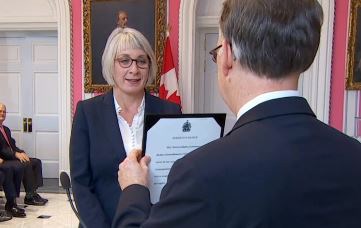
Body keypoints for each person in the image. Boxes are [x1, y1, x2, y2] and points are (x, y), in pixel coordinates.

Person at [112, 0, 361, 227]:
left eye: (216, 50)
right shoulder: (354, 156)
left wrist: (134, 188)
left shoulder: (201, 172)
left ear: (228, 54)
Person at [70, 27, 181, 228]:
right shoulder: (87, 112)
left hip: (156, 222)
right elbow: (80, 184)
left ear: (149, 66)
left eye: (141, 61)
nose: (134, 69)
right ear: (111, 65)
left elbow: (177, 177)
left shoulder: (170, 111)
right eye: (124, 60)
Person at [0, 103, 47, 207]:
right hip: (4, 159)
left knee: (35, 161)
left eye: (4, 111)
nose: (2, 113)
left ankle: (33, 192)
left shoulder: (5, 129)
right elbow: (2, 150)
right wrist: (16, 154)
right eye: (0, 111)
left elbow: (12, 145)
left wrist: (21, 152)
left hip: (11, 156)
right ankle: (29, 197)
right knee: (25, 163)